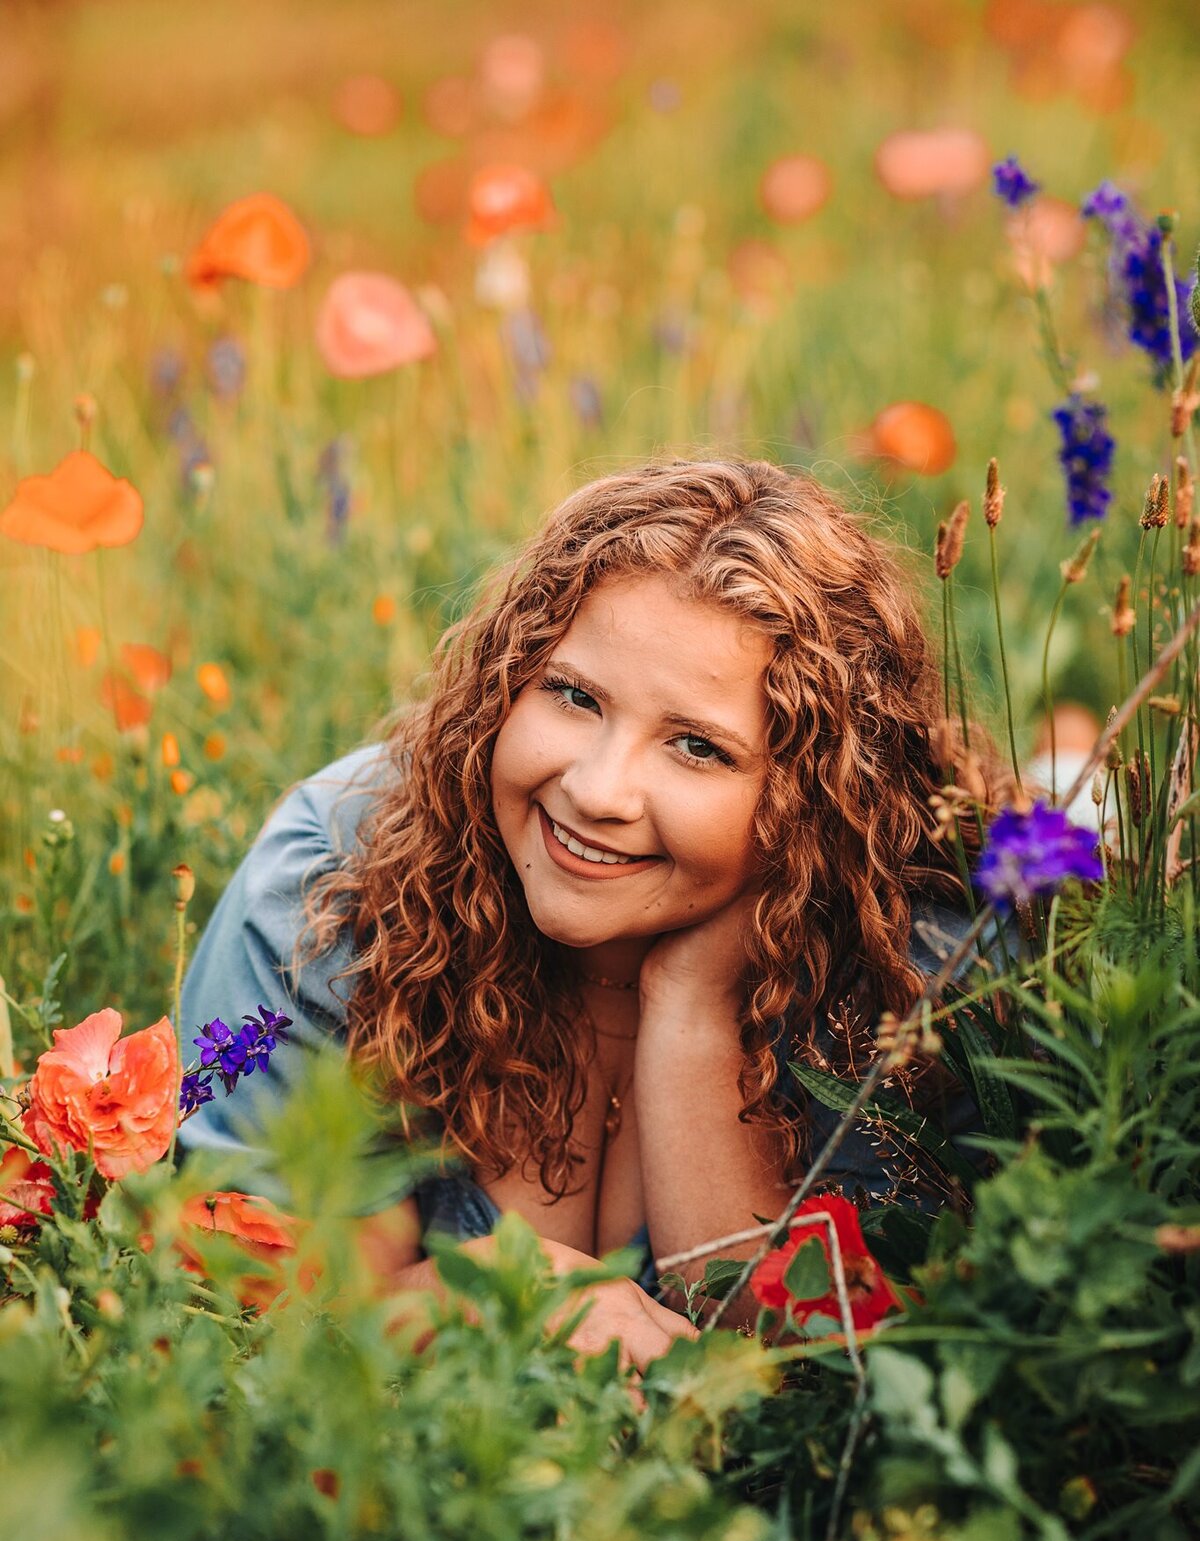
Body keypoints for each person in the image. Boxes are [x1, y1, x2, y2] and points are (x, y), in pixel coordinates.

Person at [179, 457, 1004, 1360]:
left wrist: (692, 1005)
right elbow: (259, 1312)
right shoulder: (340, 883)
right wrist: (493, 1302)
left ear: (813, 803)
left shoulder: (920, 972)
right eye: (574, 696)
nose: (598, 790)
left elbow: (819, 1389)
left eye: (697, 748)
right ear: (505, 681)